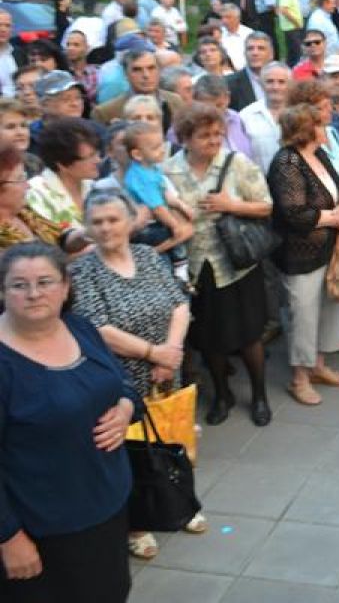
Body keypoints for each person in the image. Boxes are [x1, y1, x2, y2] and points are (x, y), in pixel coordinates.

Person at [0, 243, 141, 603]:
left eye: (45, 281)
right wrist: (8, 537)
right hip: (41, 527)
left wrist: (126, 408)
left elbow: (122, 382)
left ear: (65, 287)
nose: (34, 294)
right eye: (19, 285)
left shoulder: (80, 328)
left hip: (106, 506)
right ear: (2, 292)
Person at [68, 189, 198, 560]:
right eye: (97, 222)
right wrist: (153, 353)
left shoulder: (147, 255)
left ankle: (178, 500)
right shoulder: (82, 272)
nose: (106, 228)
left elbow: (179, 304)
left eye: (113, 219)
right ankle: (137, 523)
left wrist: (170, 353)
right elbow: (98, 328)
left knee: (171, 438)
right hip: (118, 379)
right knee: (130, 453)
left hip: (165, 370)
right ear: (87, 227)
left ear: (130, 222)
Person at [164, 104, 274, 426]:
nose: (214, 140)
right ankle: (222, 395)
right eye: (205, 135)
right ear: (185, 138)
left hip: (236, 264)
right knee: (209, 337)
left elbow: (266, 206)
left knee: (249, 335)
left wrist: (231, 205)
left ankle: (259, 395)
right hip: (195, 268)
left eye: (217, 133)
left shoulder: (236, 163)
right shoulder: (168, 170)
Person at [267, 104, 339, 406]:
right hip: (299, 253)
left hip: (329, 247)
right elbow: (294, 213)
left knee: (329, 306)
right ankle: (299, 379)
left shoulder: (318, 154)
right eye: (320, 124)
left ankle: (318, 366)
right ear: (307, 130)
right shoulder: (287, 161)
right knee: (302, 314)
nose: (326, 128)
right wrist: (335, 218)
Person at [121, 122, 194, 283]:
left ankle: (179, 266)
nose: (162, 150)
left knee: (182, 226)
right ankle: (180, 269)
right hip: (146, 228)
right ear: (137, 154)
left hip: (158, 221)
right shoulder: (140, 177)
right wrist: (175, 226)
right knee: (178, 231)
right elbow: (157, 208)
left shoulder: (153, 169)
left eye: (162, 145)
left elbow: (165, 193)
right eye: (155, 148)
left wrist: (181, 206)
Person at [26, 117, 101, 231]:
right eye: (90, 156)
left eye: (96, 154)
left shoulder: (93, 187)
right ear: (62, 164)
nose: (98, 160)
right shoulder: (36, 193)